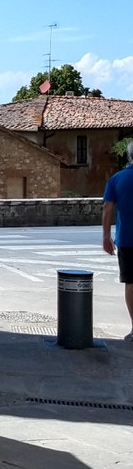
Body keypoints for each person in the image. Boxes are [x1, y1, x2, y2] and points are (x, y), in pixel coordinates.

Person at [102, 140, 133, 340]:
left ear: (129, 156)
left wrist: (106, 236)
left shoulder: (117, 179)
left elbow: (107, 208)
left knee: (131, 283)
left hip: (127, 239)